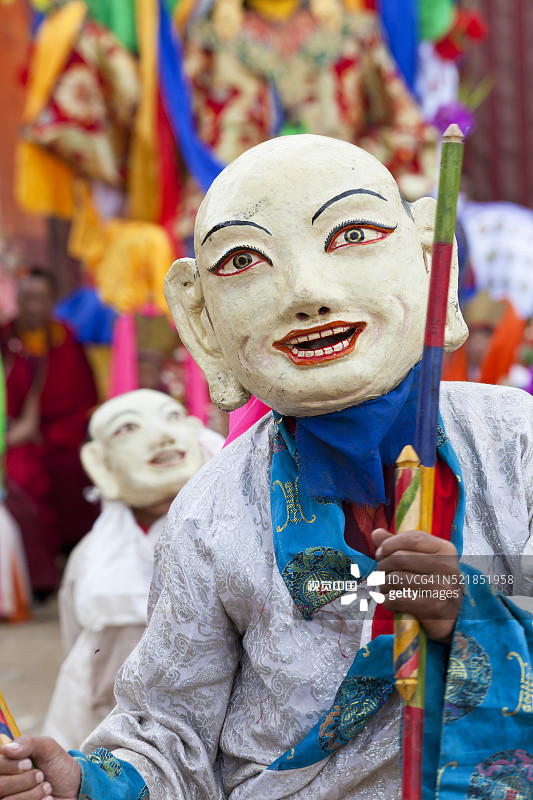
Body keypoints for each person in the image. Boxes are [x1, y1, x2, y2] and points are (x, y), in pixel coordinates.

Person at [2, 135, 533, 799]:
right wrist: (81, 783)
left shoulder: (516, 442)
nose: (305, 293)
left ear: (432, 261)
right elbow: (171, 740)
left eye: (352, 234)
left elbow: (523, 583)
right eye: (244, 260)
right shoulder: (210, 514)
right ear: (200, 321)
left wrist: (468, 607)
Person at [42, 389, 223, 750]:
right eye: (128, 429)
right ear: (100, 463)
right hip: (109, 725)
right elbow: (76, 640)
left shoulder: (235, 532)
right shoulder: (92, 557)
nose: (161, 436)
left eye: (173, 417)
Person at [0, 267, 99, 597]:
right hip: (15, 436)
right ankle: (40, 578)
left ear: (52, 301)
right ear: (18, 299)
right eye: (27, 298)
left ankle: (74, 555)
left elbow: (83, 396)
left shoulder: (65, 338)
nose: (33, 307)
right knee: (23, 478)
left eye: (41, 299)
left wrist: (56, 435)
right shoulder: (5, 339)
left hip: (61, 435)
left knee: (74, 470)